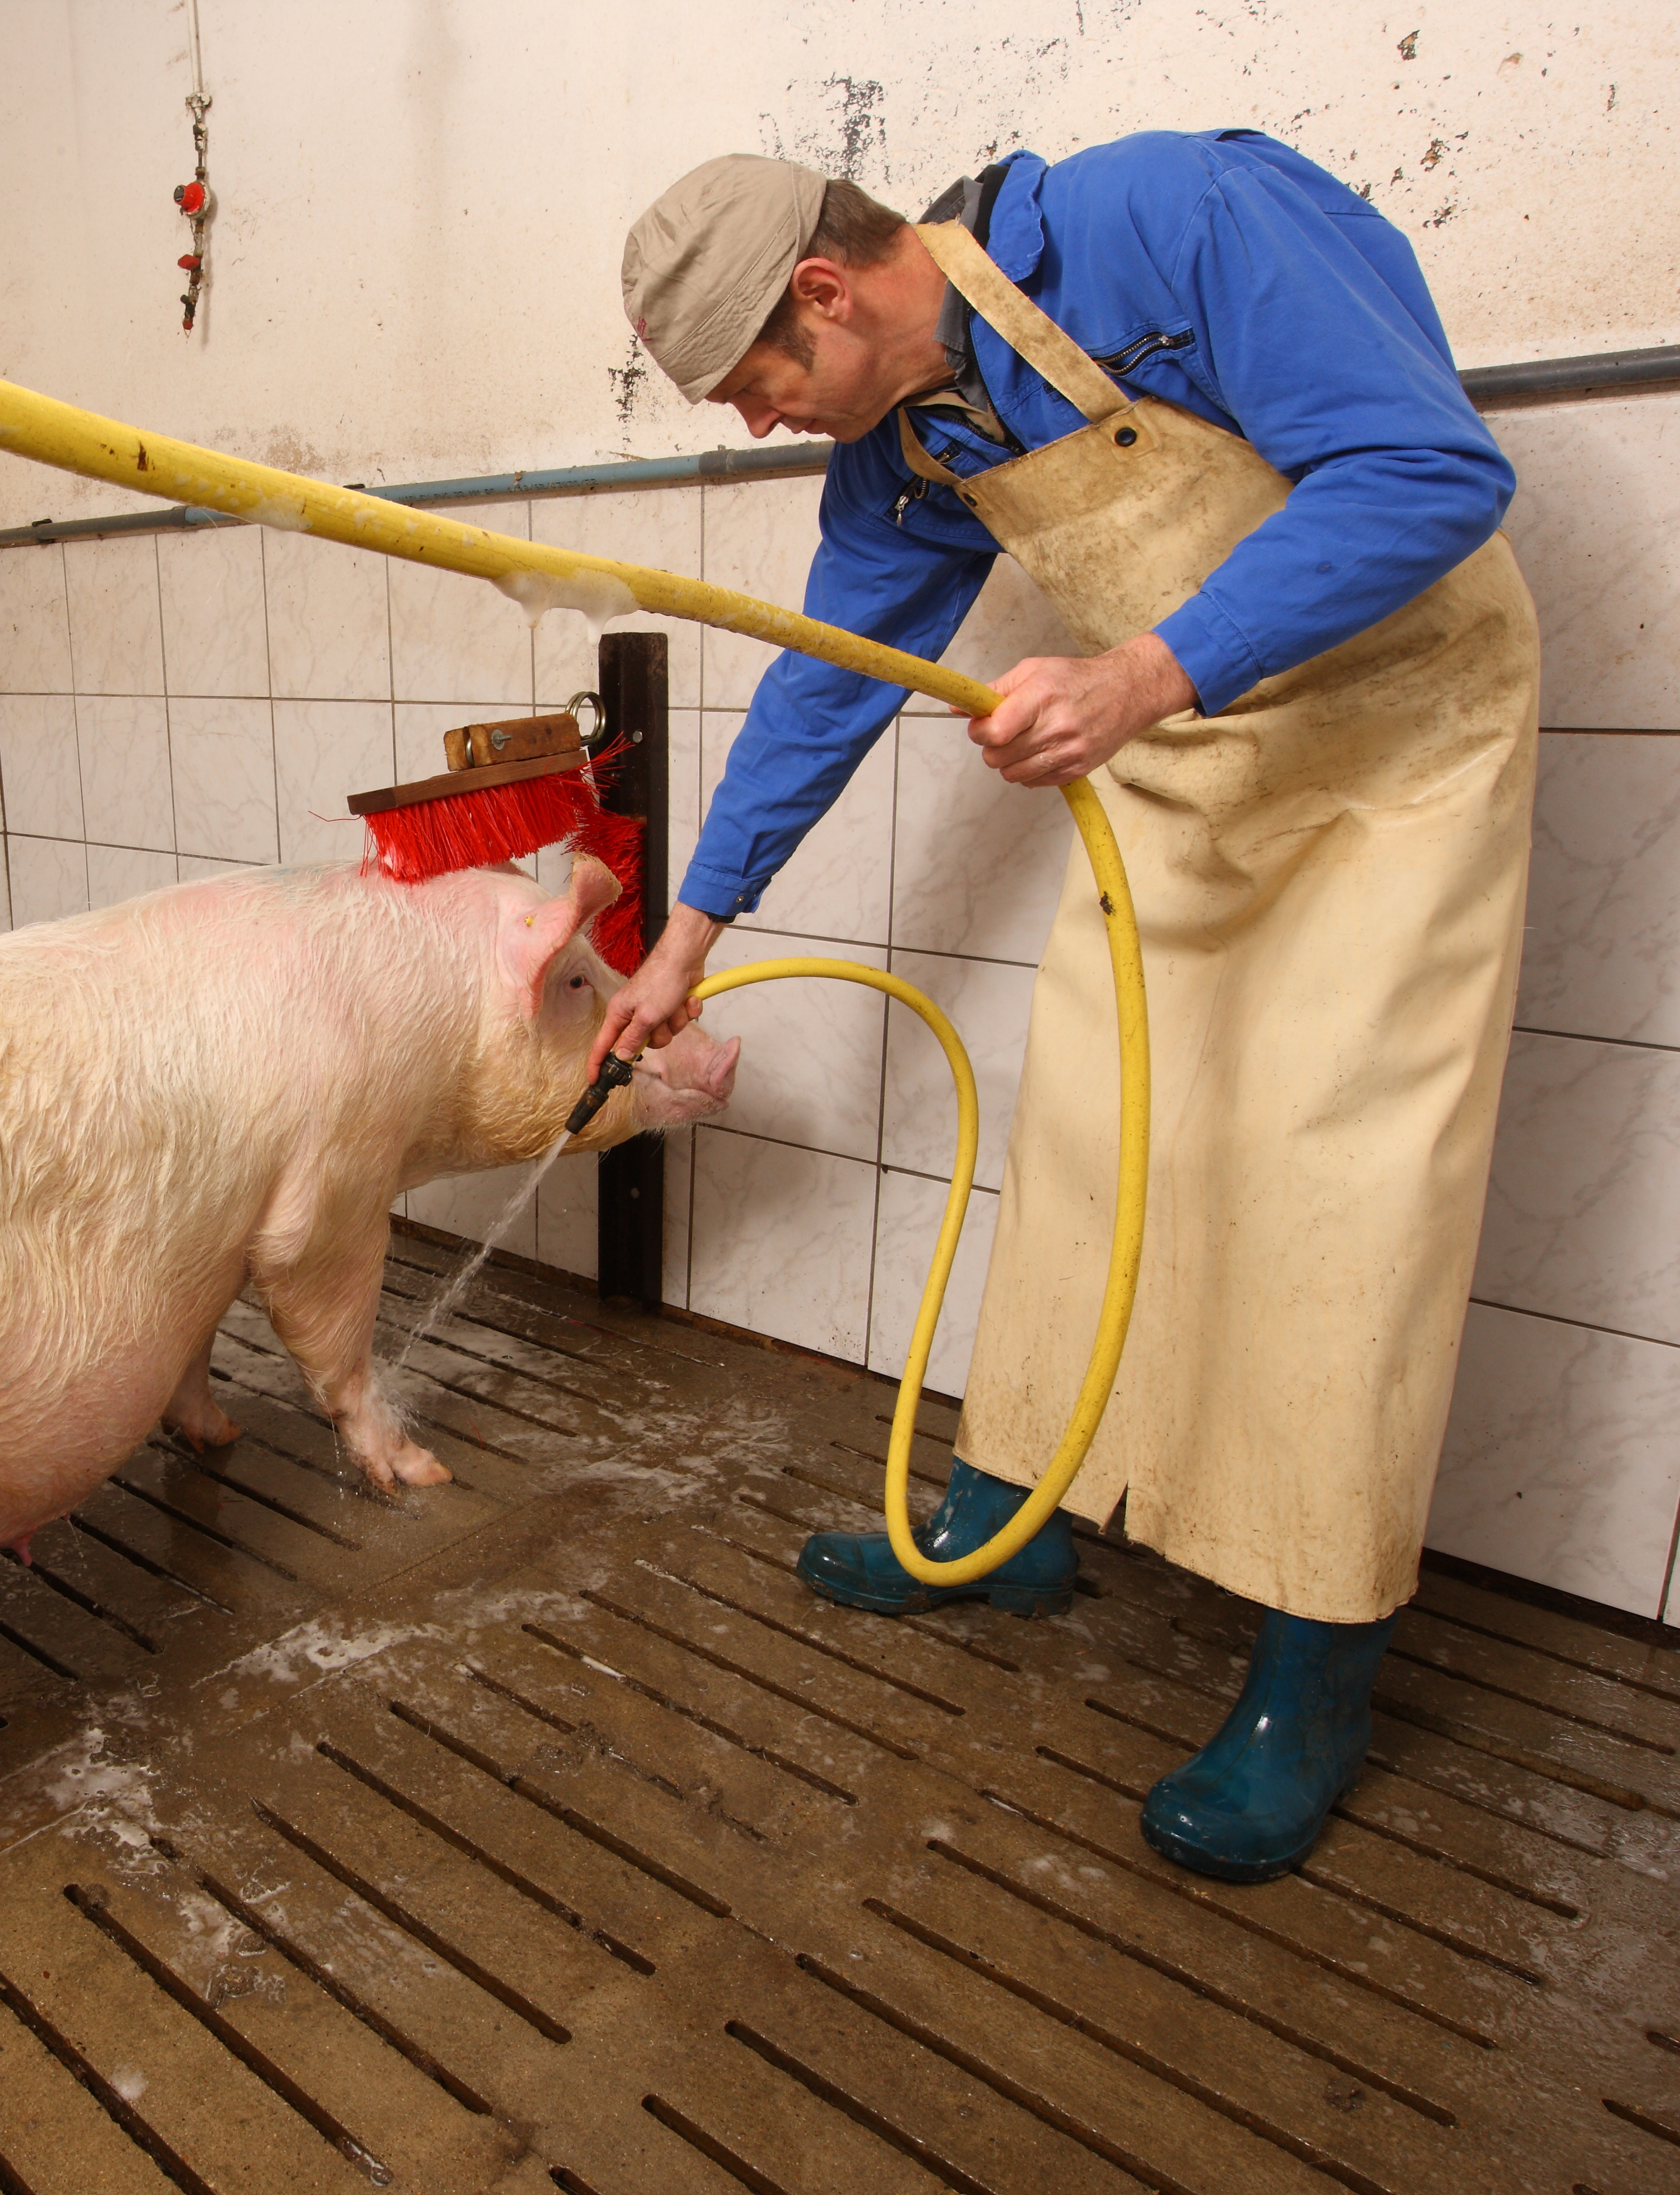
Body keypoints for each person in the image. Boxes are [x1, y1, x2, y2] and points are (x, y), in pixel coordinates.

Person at [600, 136, 1538, 1882]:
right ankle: (1006, 1522)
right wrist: (690, 935)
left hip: (1394, 766)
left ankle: (1313, 1669)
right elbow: (832, 684)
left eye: (758, 385)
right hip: (1188, 774)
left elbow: (1428, 471)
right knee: (1092, 1136)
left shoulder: (1167, 220)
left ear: (827, 289)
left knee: (1341, 1197)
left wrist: (1138, 674)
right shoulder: (905, 443)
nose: (758, 426)